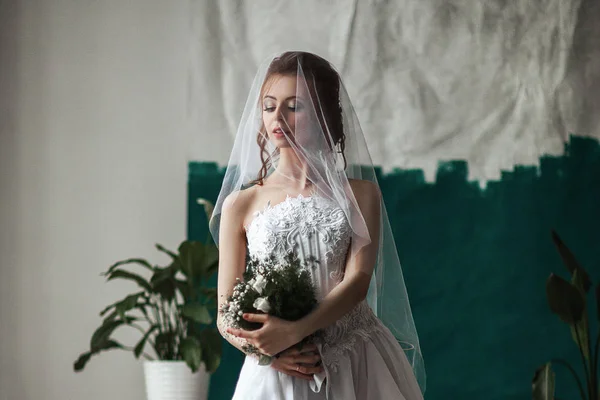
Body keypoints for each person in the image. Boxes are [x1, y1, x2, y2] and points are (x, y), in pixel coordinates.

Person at [209, 51, 425, 400]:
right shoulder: (241, 204)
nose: (277, 116)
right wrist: (266, 351)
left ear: (322, 112)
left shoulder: (361, 194)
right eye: (268, 106)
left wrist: (295, 331)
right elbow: (224, 314)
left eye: (294, 106)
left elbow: (358, 281)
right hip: (280, 364)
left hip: (356, 357)